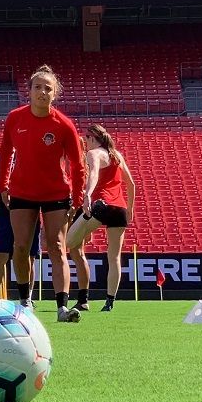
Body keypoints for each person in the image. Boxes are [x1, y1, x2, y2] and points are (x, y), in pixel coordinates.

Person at [0, 66, 86, 323]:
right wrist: (3, 185)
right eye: (38, 87)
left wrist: (78, 199)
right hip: (22, 192)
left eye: (48, 88)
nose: (42, 92)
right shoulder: (15, 118)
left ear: (54, 93)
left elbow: (78, 165)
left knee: (57, 247)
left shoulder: (64, 125)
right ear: (29, 91)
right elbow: (6, 153)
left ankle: (62, 307)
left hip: (56, 193)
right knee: (21, 246)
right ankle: (25, 299)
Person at [67, 124, 137, 313]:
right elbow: (131, 184)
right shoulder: (116, 155)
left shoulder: (94, 154)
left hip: (102, 204)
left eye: (85, 139)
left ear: (91, 138)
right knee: (114, 257)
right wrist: (129, 209)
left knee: (69, 241)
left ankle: (87, 216)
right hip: (120, 208)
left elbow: (95, 174)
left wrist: (88, 195)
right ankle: (109, 301)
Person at [0, 152, 40, 300]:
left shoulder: (34, 154)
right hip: (5, 213)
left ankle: (27, 298)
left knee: (29, 257)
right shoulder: (3, 156)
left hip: (31, 212)